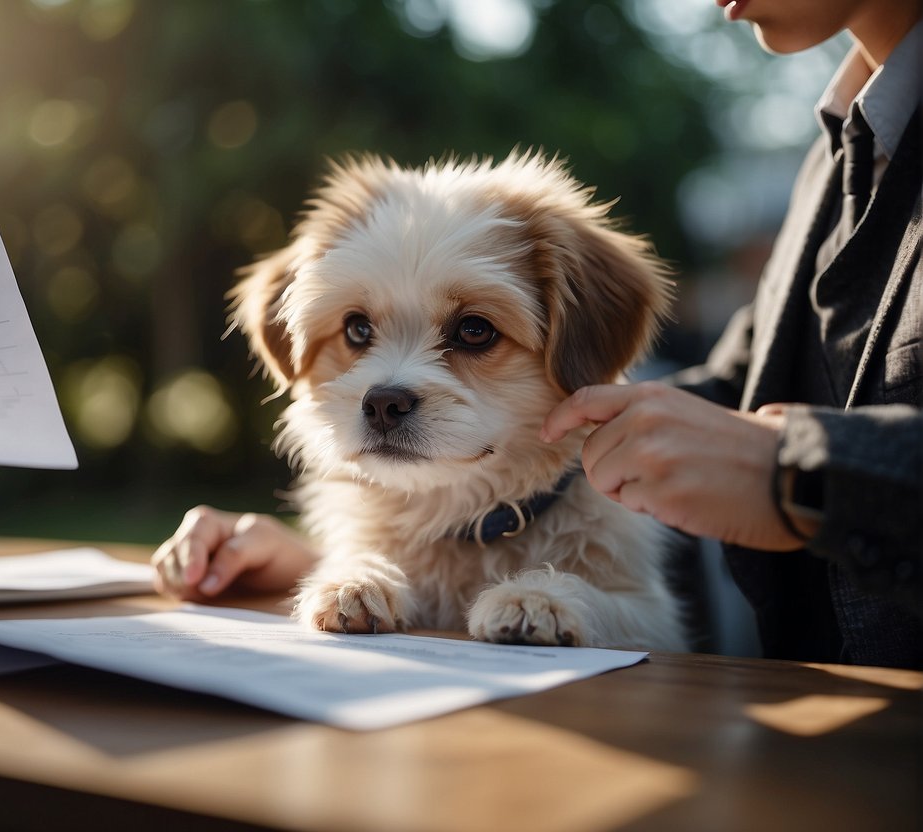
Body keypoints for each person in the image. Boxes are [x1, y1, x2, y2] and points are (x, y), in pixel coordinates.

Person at [153, 0, 923, 669]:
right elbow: (736, 393)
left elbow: (746, 440)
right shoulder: (843, 152)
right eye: (356, 329)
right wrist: (321, 563)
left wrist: (807, 476)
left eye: (474, 332)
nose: (387, 388)